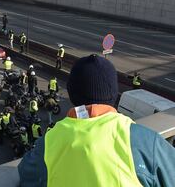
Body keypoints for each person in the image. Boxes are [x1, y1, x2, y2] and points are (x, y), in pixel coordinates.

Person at [18, 54, 175, 186]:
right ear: (113, 94)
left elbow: (26, 174)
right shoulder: (146, 142)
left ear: (72, 94)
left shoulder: (48, 144)